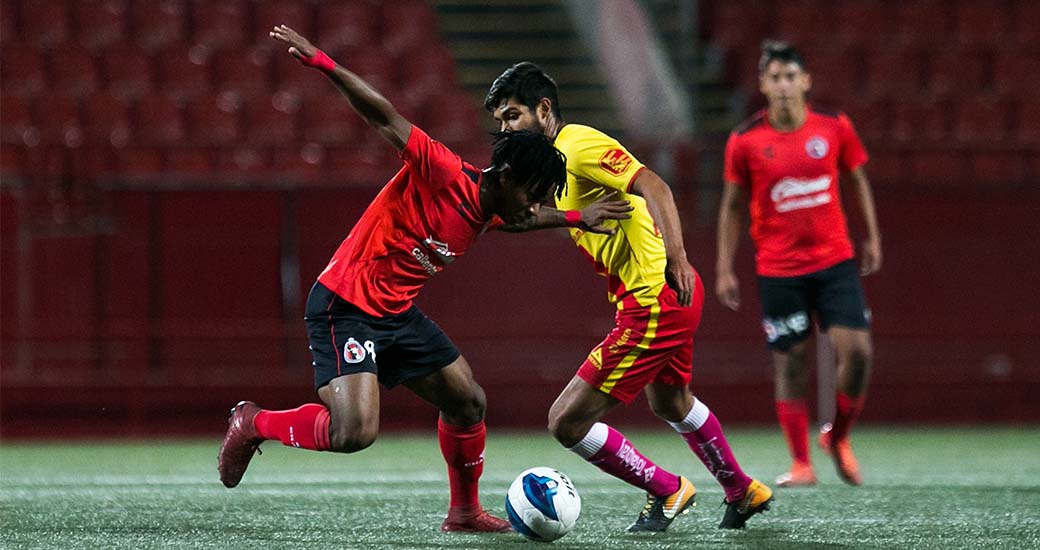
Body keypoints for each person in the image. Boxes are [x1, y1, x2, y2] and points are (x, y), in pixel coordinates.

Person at [218, 26, 631, 533]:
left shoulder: (493, 210)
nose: (535, 203)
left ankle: (463, 514)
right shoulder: (443, 172)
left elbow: (523, 219)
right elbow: (384, 116)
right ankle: (253, 422)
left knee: (467, 400)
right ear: (502, 178)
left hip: (395, 314)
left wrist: (576, 217)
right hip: (344, 305)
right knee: (354, 432)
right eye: (533, 193)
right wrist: (324, 63)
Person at [484, 62, 773, 531]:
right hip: (668, 298)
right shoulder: (546, 165)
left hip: (656, 298)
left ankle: (667, 489)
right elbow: (517, 219)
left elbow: (653, 184)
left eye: (513, 116)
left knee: (566, 422)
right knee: (672, 403)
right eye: (500, 120)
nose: (505, 128)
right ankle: (742, 490)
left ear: (543, 109)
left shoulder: (576, 145)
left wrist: (677, 257)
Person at [716, 41, 882, 488]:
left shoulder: (833, 127)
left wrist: (872, 236)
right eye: (776, 77)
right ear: (763, 85)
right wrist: (724, 267)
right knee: (790, 365)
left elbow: (857, 180)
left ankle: (838, 436)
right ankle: (801, 463)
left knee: (859, 354)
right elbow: (732, 206)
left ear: (806, 81)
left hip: (835, 262)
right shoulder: (745, 140)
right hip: (778, 268)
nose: (785, 85)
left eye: (792, 76)